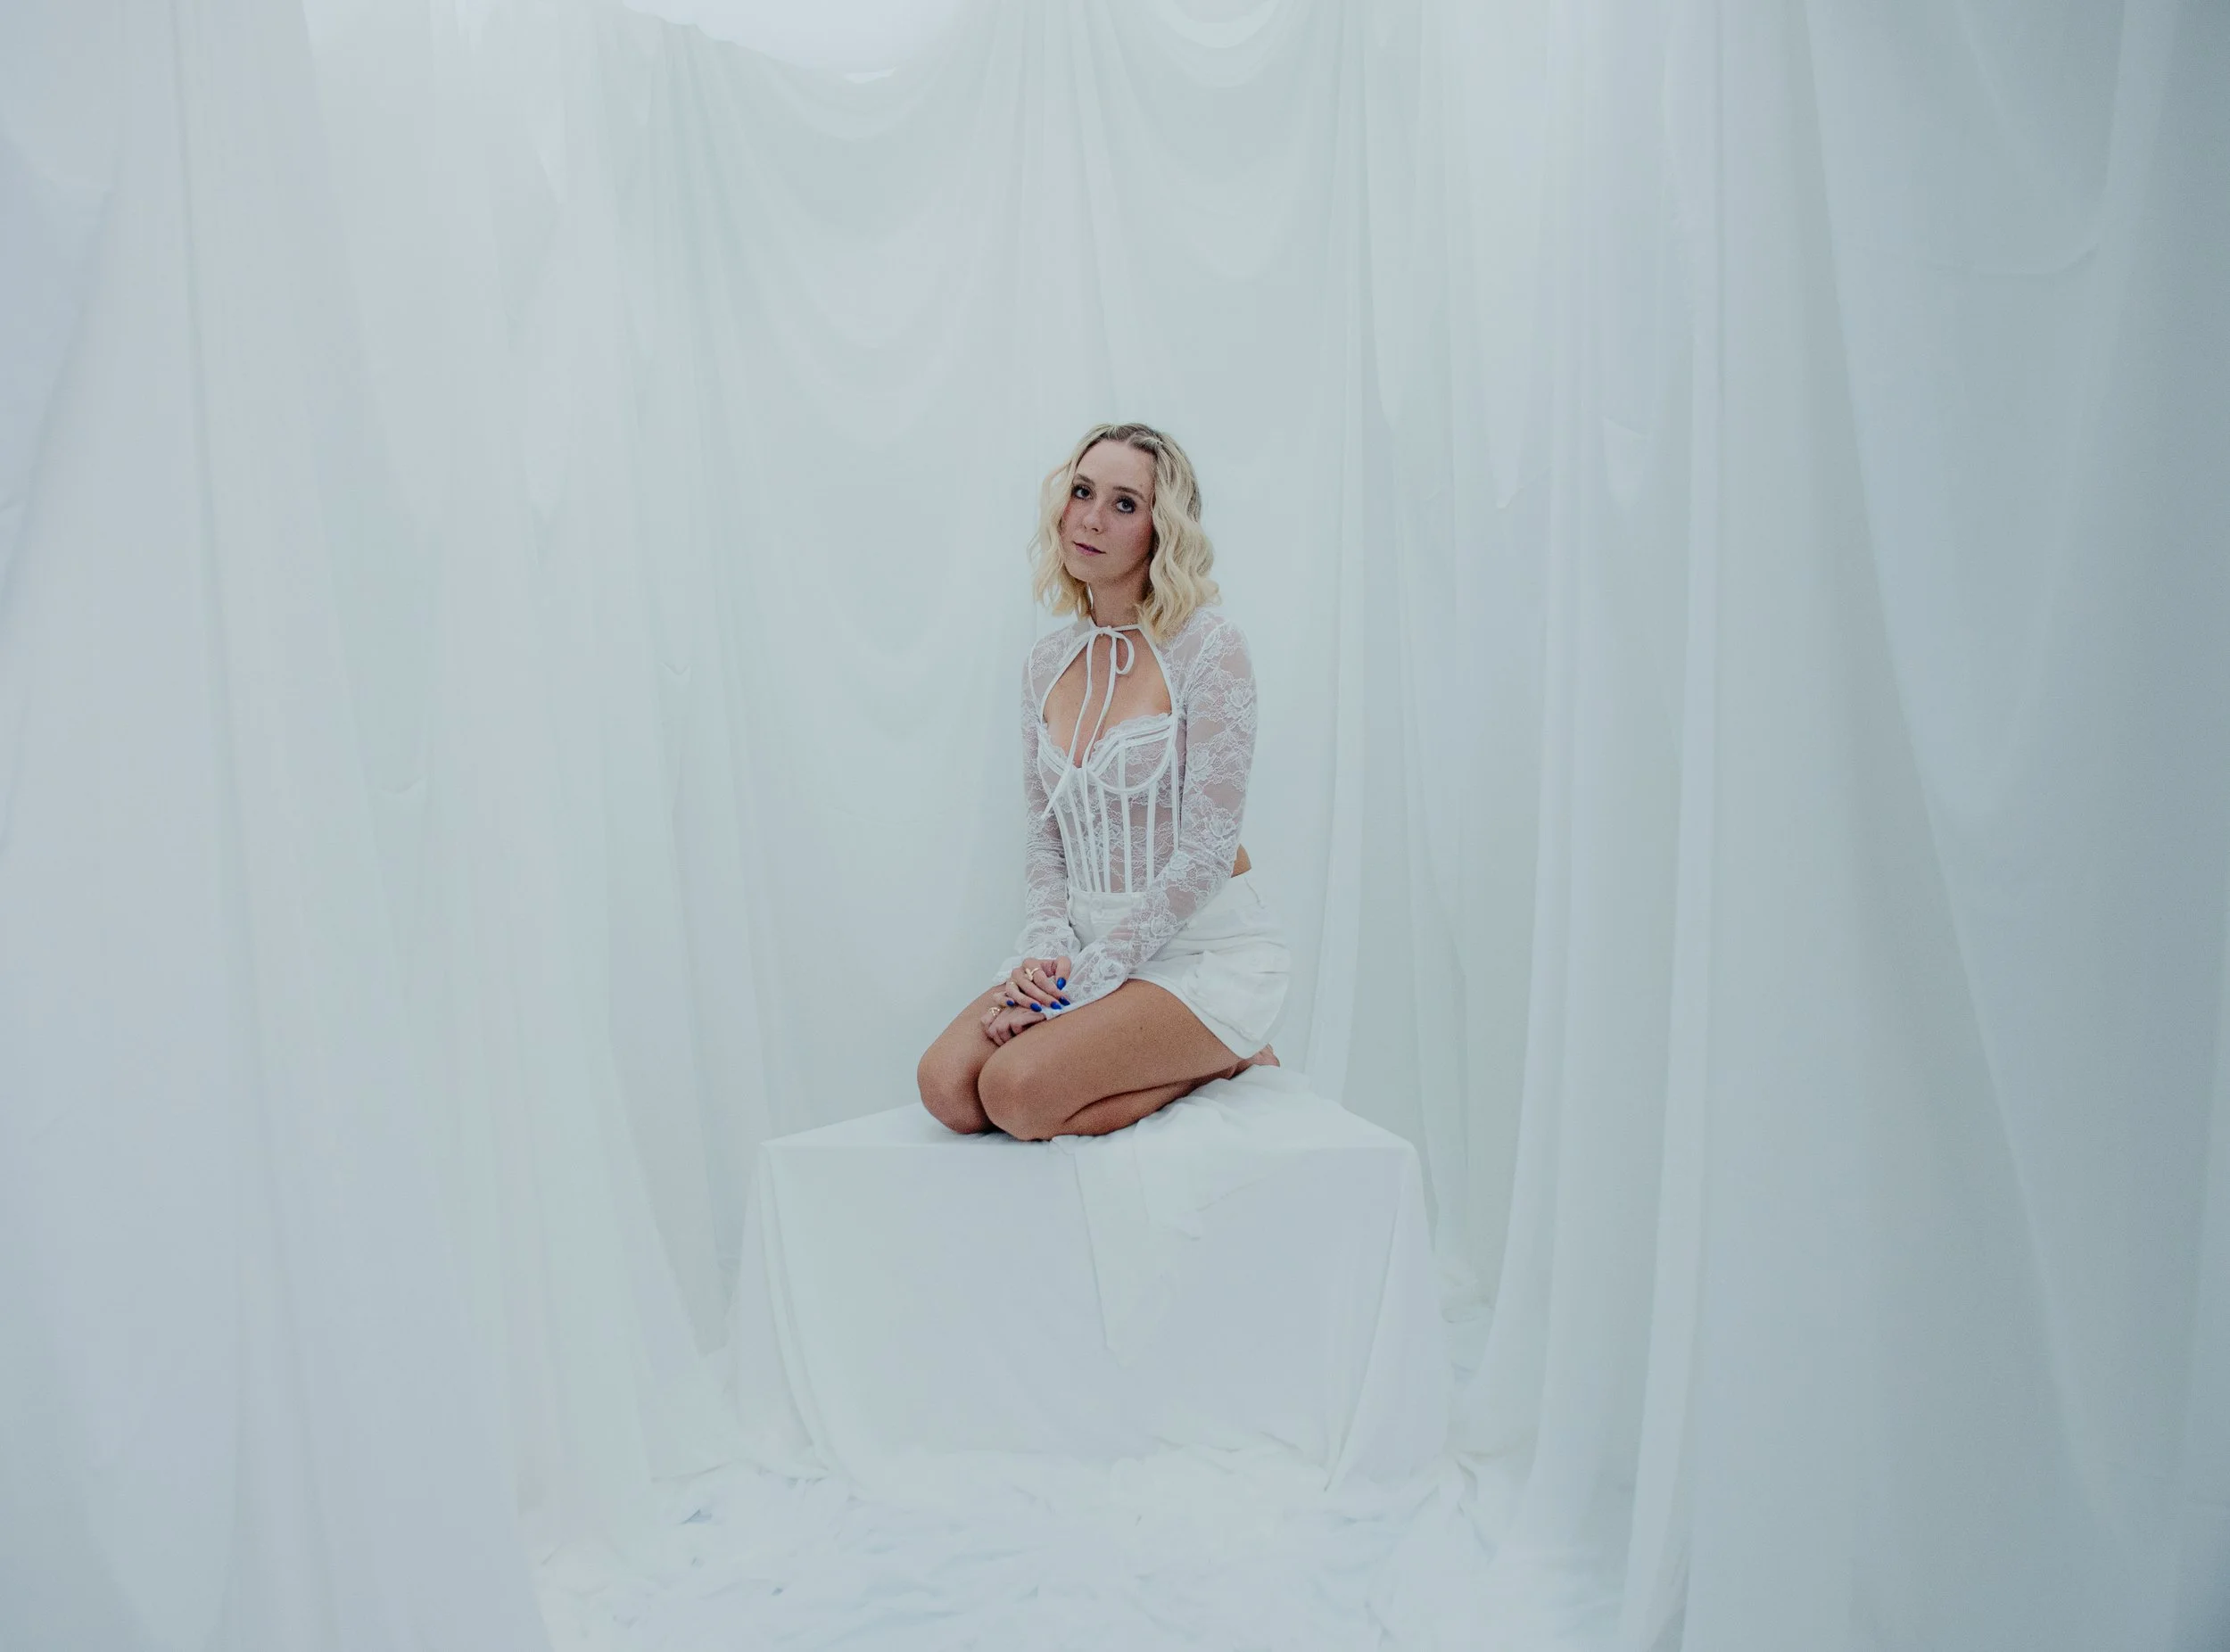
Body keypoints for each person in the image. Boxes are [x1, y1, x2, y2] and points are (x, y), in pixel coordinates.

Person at [916, 423, 1290, 1141]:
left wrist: (1083, 989)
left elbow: (1207, 855)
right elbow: (1046, 836)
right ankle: (1162, 1052)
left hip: (1197, 949)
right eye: (1083, 491)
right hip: (1084, 942)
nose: (1091, 517)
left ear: (1162, 530)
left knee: (1017, 1095)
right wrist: (1045, 955)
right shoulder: (1046, 663)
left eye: (1125, 504)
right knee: (950, 1090)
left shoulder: (1210, 649)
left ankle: (1222, 1056)